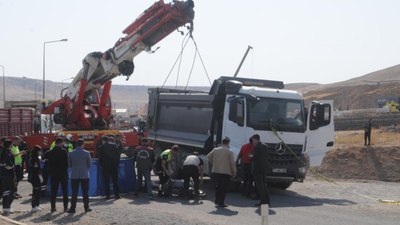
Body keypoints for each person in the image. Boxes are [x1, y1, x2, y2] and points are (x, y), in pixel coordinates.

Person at [207, 137, 236, 208]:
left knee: (218, 187)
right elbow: (232, 163)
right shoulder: (229, 151)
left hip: (216, 171)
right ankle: (221, 202)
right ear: (228, 143)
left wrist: (214, 163)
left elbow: (208, 156)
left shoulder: (216, 150)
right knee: (224, 188)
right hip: (226, 172)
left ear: (222, 142)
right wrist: (234, 172)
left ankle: (217, 201)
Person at [67, 139, 92, 213]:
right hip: (85, 175)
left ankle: (72, 208)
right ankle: (86, 207)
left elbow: (69, 164)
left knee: (74, 193)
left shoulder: (71, 153)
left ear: (76, 144)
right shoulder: (87, 153)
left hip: (74, 175)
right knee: (85, 192)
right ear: (83, 144)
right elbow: (90, 164)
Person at [45, 137, 69, 212]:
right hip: (63, 173)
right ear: (61, 143)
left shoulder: (49, 152)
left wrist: (50, 170)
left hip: (53, 174)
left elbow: (46, 163)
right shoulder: (64, 151)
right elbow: (67, 163)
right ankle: (65, 207)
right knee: (65, 191)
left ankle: (53, 207)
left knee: (53, 191)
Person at [251, 134, 271, 206]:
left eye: (253, 140)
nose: (253, 142)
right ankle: (267, 201)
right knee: (264, 186)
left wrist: (251, 156)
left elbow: (255, 157)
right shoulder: (266, 146)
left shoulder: (257, 147)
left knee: (260, 186)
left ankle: (263, 202)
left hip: (257, 169)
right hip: (264, 168)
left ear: (256, 139)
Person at [0, 139, 16, 215]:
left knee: (6, 191)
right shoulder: (8, 153)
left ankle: (5, 209)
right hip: (9, 174)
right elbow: (8, 164)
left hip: (3, 174)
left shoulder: (2, 151)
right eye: (12, 144)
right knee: (13, 190)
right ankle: (7, 206)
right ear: (9, 145)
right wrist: (12, 166)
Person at [28, 145, 45, 212]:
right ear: (37, 151)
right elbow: (36, 169)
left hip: (36, 176)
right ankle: (34, 206)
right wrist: (40, 176)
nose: (41, 152)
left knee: (38, 191)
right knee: (35, 191)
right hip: (35, 177)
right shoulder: (35, 159)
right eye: (40, 151)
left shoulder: (35, 158)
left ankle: (37, 204)